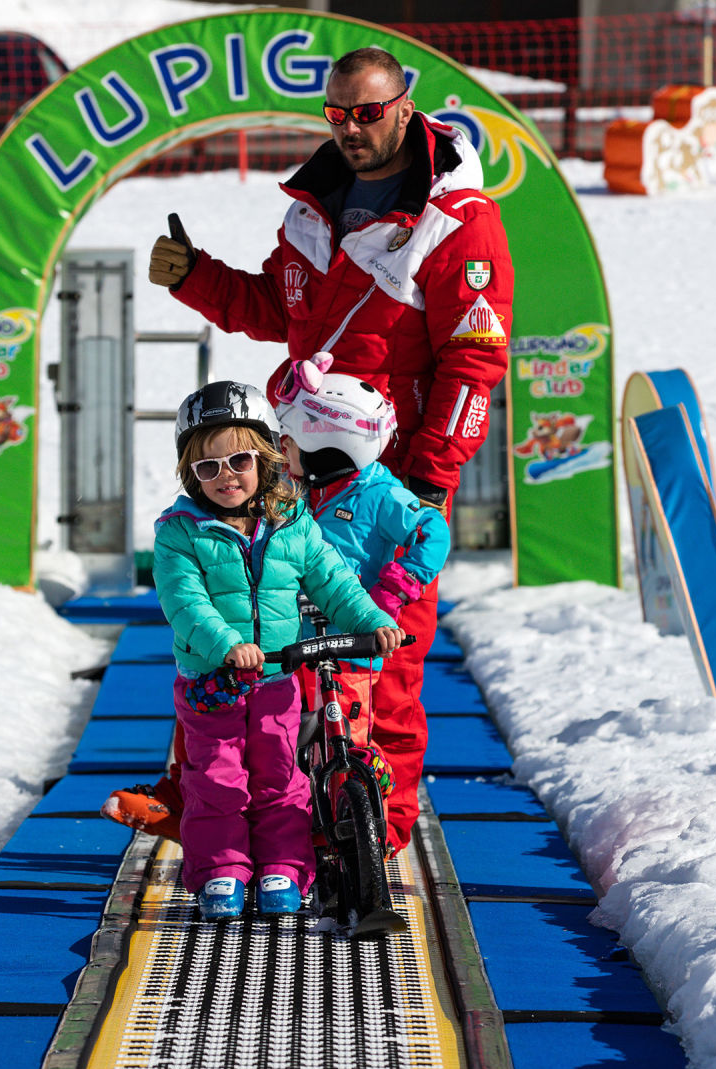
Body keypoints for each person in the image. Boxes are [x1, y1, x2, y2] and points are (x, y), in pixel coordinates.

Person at [147, 45, 513, 850]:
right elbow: (277, 310)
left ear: (405, 107)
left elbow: (473, 363)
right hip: (296, 460)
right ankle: (211, 798)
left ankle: (374, 830)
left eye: (368, 112)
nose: (351, 128)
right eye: (338, 113)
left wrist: (427, 479)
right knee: (250, 619)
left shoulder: (457, 221)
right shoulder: (313, 207)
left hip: (389, 476)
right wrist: (195, 276)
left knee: (379, 653)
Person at [105, 361, 450, 853]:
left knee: (336, 735)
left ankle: (358, 832)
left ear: (327, 445)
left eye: (285, 443)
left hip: (344, 638)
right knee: (222, 714)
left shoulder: (373, 493)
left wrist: (391, 593)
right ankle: (194, 803)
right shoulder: (294, 495)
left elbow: (415, 538)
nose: (279, 453)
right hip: (281, 640)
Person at [152, 380, 402, 920]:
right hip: (213, 681)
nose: (226, 476)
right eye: (208, 467)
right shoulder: (180, 534)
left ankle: (283, 866)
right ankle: (221, 869)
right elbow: (185, 601)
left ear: (265, 457)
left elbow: (333, 581)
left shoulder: (292, 523)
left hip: (277, 678)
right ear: (191, 474)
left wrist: (373, 622)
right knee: (217, 778)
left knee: (281, 774)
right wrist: (227, 645)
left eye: (239, 461)